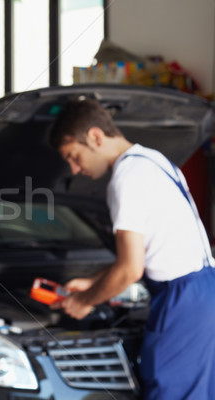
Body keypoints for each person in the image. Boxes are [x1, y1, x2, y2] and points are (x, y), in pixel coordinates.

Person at [48, 97, 215, 400]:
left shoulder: (126, 178)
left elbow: (130, 269)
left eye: (74, 156)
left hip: (182, 299)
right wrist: (93, 281)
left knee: (172, 393)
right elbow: (150, 250)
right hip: (203, 291)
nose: (74, 169)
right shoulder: (153, 160)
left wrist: (85, 300)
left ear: (95, 137)